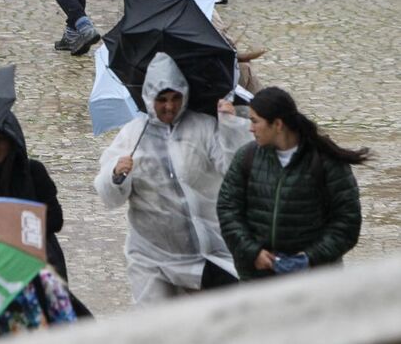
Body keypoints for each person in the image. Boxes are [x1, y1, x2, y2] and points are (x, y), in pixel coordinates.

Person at [93, 52, 253, 304]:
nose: (169, 106)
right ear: (149, 97)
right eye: (162, 99)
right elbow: (108, 196)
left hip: (206, 251)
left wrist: (231, 127)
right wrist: (116, 174)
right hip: (150, 256)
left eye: (175, 98)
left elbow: (235, 167)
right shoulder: (133, 135)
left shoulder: (202, 127)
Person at [217, 87, 366, 281]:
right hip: (258, 281)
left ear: (277, 124)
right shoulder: (246, 157)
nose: (250, 128)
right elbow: (228, 210)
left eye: (255, 121)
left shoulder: (327, 163)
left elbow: (348, 222)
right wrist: (253, 252)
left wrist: (310, 259)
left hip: (315, 282)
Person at [0, 112, 69, 281]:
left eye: (0, 141)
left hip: (39, 260)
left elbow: (55, 219)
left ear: (11, 141)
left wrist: (19, 227)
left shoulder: (33, 172)